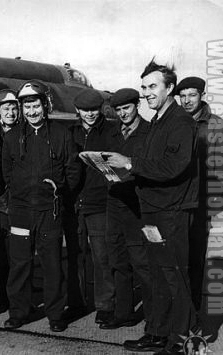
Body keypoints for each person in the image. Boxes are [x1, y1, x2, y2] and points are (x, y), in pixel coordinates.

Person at [106, 60, 197, 354]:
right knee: (158, 276)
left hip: (170, 212)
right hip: (152, 211)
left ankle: (180, 340)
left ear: (170, 88)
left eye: (152, 86)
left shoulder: (180, 121)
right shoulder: (159, 119)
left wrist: (130, 163)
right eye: (143, 87)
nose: (146, 93)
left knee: (174, 277)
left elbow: (174, 165)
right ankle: (157, 332)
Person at [2, 80, 80, 332]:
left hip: (50, 211)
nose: (32, 111)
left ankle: (56, 314)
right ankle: (18, 313)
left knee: (52, 264)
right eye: (27, 107)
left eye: (35, 105)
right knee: (20, 264)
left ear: (45, 105)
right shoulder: (13, 136)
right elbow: (6, 172)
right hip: (22, 211)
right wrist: (19, 194)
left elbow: (73, 170)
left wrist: (58, 190)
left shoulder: (60, 134)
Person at [176, 76, 223, 311]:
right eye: (182, 96)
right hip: (175, 204)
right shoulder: (175, 122)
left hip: (200, 205)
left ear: (202, 95)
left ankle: (194, 314)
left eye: (192, 95)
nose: (187, 100)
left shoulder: (215, 126)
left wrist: (214, 202)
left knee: (195, 260)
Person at [99, 88, 152, 330]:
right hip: (114, 203)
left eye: (126, 108)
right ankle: (124, 313)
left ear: (136, 105)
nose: (122, 114)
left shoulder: (149, 132)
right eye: (118, 110)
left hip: (137, 206)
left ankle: (154, 318)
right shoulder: (112, 133)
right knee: (118, 260)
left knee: (142, 263)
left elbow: (152, 170)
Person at [71, 88, 116, 325]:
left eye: (94, 109)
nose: (89, 114)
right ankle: (77, 302)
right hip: (76, 203)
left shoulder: (111, 131)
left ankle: (105, 305)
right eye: (85, 110)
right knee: (75, 255)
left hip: (100, 203)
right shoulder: (70, 132)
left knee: (102, 256)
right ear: (77, 110)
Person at [0, 88, 20, 314]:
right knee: (0, 255)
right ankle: (1, 297)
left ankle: (16, 299)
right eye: (5, 108)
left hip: (18, 203)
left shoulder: (24, 133)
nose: (10, 112)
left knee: (18, 255)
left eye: (13, 107)